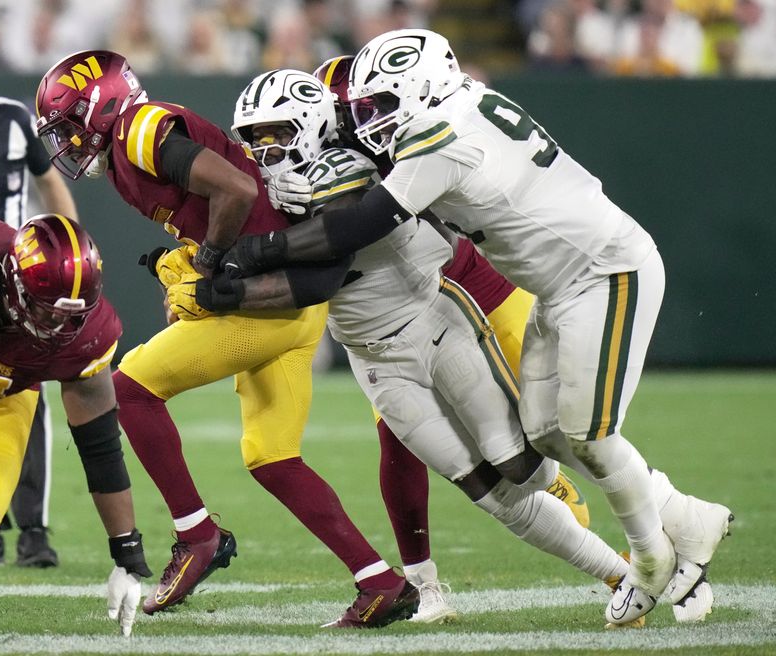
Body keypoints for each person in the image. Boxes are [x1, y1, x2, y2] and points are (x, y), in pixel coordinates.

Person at [217, 30, 734, 626]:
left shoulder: (438, 141)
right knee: (545, 432)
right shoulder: (459, 104)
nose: (369, 122)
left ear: (423, 90)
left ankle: (653, 562)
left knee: (585, 433)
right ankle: (684, 516)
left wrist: (253, 255)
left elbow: (360, 224)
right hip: (549, 287)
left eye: (381, 106)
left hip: (601, 271)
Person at [171, 68, 637, 620]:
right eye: (254, 136)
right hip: (374, 360)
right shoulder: (267, 189)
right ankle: (621, 575)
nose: (263, 149)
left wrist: (235, 277)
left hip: (436, 321)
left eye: (276, 131)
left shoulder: (363, 164)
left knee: (524, 467)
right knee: (489, 492)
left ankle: (665, 520)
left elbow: (323, 272)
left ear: (313, 120)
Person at [34, 50, 418, 628]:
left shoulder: (141, 130)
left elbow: (236, 190)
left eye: (67, 126)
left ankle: (197, 535)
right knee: (272, 457)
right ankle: (380, 582)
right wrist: (192, 258)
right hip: (292, 304)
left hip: (268, 302)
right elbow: (228, 202)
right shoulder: (128, 148)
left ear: (102, 106)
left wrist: (209, 266)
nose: (65, 142)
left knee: (130, 389)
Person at [313, 55, 590, 623]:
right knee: (399, 442)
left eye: (362, 107)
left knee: (568, 423)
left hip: (477, 284)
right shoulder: (323, 155)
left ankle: (652, 518)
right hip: (407, 303)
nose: (355, 120)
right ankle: (424, 585)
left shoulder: (416, 128)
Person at [0, 213, 152, 636]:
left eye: (69, 315)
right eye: (44, 309)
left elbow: (100, 447)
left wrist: (126, 551)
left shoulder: (88, 334)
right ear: (14, 282)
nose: (56, 326)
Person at [0, 44, 78, 567]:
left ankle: (32, 530)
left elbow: (50, 185)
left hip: (18, 281)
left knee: (30, 397)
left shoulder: (12, 119)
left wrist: (70, 241)